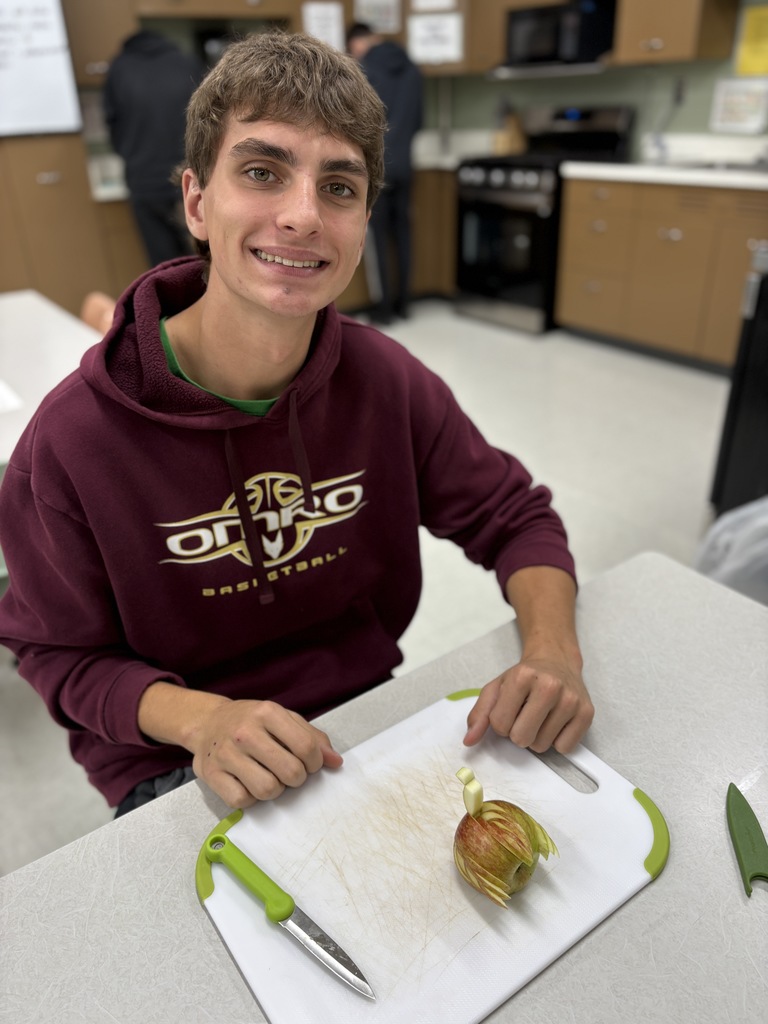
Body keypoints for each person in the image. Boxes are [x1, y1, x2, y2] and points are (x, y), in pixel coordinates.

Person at [0, 32, 592, 818]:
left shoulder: (387, 381)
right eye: (261, 171)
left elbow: (514, 516)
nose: (304, 216)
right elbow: (57, 654)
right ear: (197, 203)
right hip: (172, 753)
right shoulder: (71, 445)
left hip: (354, 710)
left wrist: (554, 653)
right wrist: (205, 720)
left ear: (364, 221)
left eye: (339, 188)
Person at [104, 30, 205, 267]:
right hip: (191, 175)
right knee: (208, 255)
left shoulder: (119, 69)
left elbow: (112, 124)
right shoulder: (187, 62)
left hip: (144, 181)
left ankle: (172, 303)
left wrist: (133, 156)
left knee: (164, 262)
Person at [347, 22, 423, 324]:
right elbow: (420, 121)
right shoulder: (413, 70)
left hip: (378, 167)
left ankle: (384, 309)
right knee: (403, 233)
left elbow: (359, 125)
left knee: (376, 238)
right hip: (406, 163)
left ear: (357, 43)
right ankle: (405, 304)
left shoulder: (365, 71)